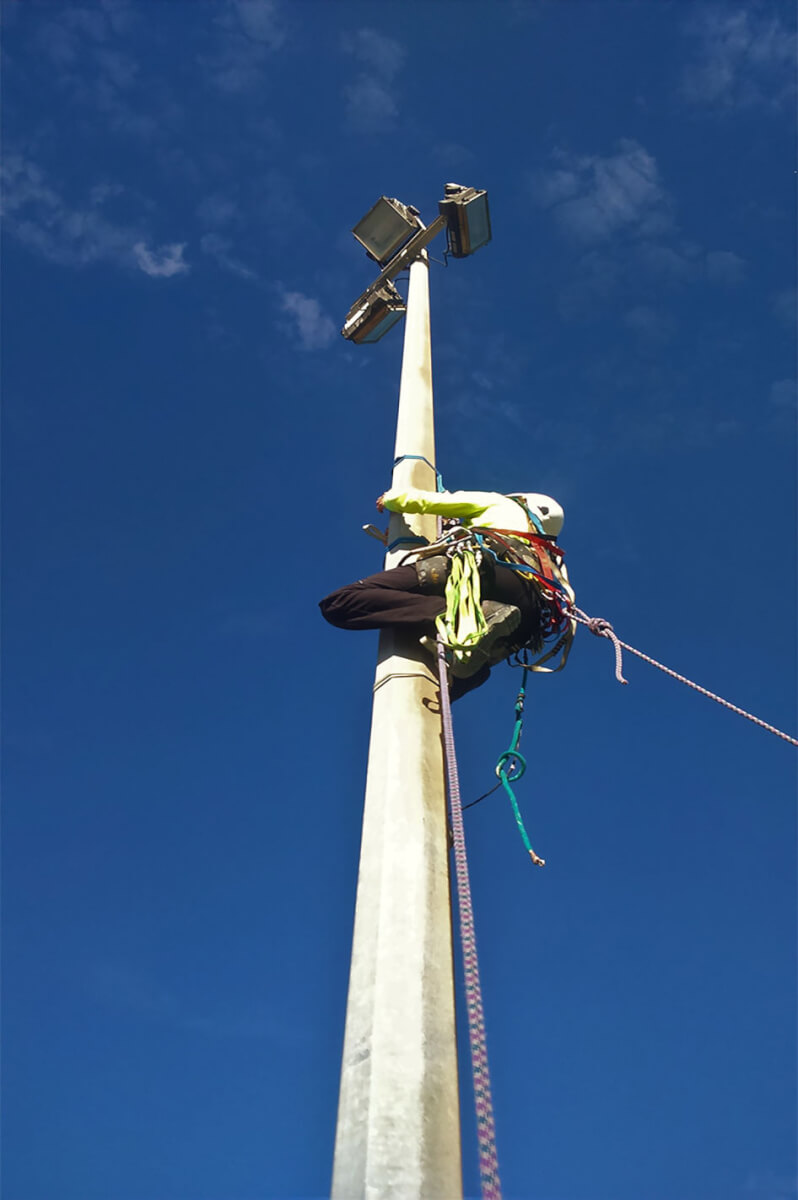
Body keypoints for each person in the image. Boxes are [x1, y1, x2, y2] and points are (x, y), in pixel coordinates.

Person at [319, 485, 568, 697]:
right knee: (456, 679)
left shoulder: (500, 504)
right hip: (529, 618)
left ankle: (461, 618)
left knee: (340, 602)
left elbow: (436, 501)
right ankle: (464, 669)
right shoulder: (544, 554)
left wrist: (394, 499)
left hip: (488, 573)